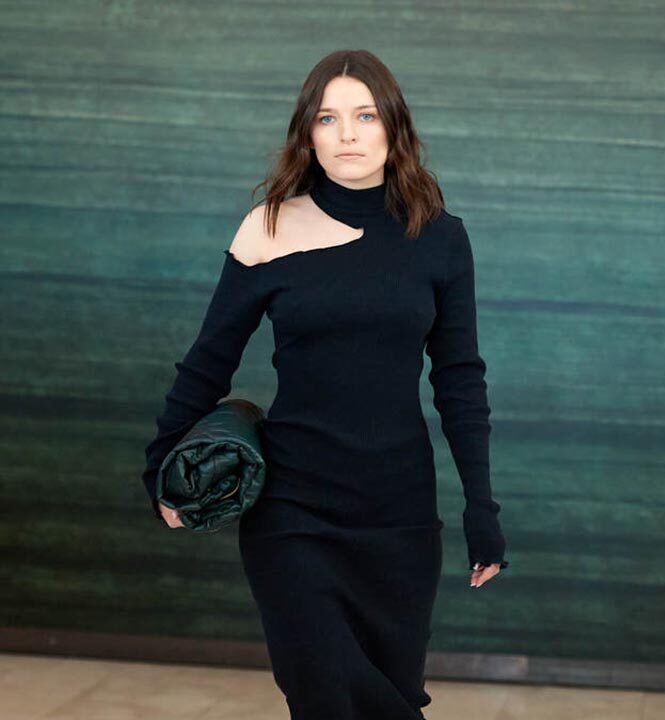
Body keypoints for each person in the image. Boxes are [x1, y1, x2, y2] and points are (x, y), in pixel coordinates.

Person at [141, 48, 509, 720]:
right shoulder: (269, 227)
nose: (347, 134)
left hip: (398, 514)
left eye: (365, 115)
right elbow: (208, 361)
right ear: (307, 132)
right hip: (292, 510)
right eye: (327, 117)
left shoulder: (440, 238)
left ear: (394, 126)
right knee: (325, 697)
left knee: (391, 699)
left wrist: (481, 507)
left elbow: (460, 381)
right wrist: (160, 468)